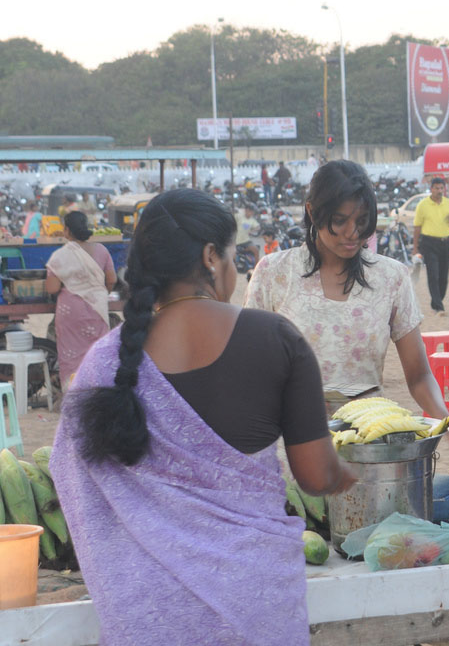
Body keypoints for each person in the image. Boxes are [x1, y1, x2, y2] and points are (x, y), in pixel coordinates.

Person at [51, 189, 358, 645]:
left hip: (147, 610)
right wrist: (346, 474)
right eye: (233, 256)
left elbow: (72, 473)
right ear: (211, 257)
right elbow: (314, 475)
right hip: (253, 602)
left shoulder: (106, 362)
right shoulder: (274, 337)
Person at [246, 161, 449, 421]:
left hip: (368, 443)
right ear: (312, 211)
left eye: (362, 221)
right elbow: (252, 371)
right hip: (294, 443)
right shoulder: (273, 273)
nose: (352, 233)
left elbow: (419, 377)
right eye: (339, 221)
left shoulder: (392, 277)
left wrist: (446, 419)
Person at [44, 212, 117, 388]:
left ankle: (74, 397)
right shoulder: (101, 250)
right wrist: (100, 293)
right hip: (97, 308)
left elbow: (52, 288)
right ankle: (98, 394)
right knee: (97, 354)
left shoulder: (60, 255)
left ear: (67, 230)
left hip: (70, 312)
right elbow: (112, 279)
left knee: (71, 356)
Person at [412, 177, 449, 315]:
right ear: (431, 188)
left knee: (444, 276)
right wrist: (415, 248)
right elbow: (417, 227)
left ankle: (436, 301)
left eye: (441, 188)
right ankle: (439, 307)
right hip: (429, 242)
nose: (439, 191)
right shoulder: (423, 205)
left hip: (446, 242)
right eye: (436, 188)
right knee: (433, 274)